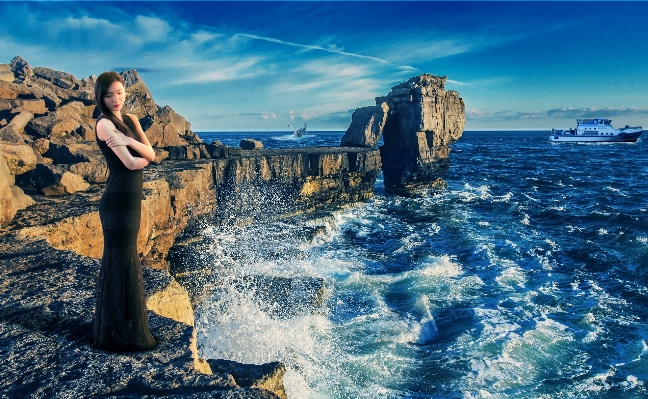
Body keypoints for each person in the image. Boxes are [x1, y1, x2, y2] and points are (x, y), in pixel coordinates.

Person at [92, 71, 157, 350]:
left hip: (131, 200)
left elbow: (151, 155)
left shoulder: (129, 121)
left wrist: (130, 142)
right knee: (119, 261)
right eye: (109, 94)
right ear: (101, 97)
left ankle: (128, 328)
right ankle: (116, 333)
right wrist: (139, 153)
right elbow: (133, 165)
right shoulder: (104, 125)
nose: (116, 98)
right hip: (117, 200)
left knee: (128, 259)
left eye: (119, 92)